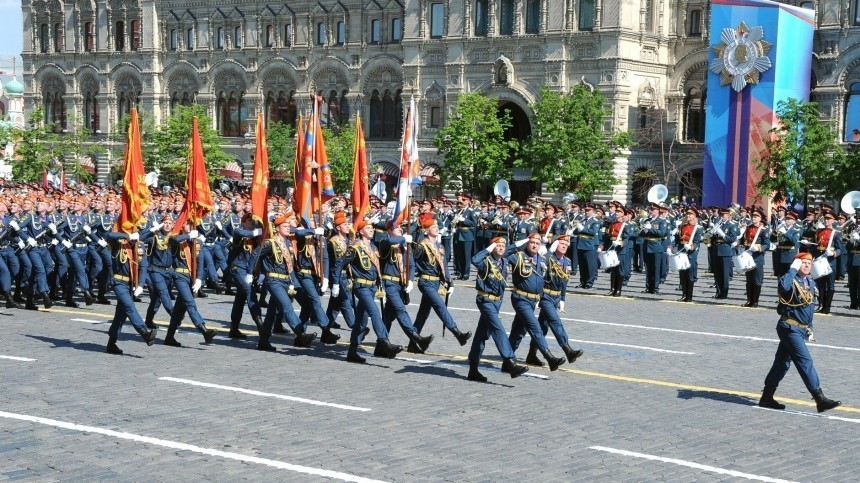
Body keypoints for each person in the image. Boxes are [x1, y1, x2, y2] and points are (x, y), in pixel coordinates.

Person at [758, 252, 841, 413]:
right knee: (805, 361)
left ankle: (767, 396)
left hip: (800, 329)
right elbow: (783, 287)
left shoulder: (809, 281)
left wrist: (809, 328)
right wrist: (792, 270)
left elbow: (809, 308)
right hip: (789, 328)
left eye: (809, 263)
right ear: (796, 264)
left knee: (782, 363)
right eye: (803, 263)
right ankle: (819, 398)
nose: (807, 265)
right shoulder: (791, 279)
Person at [332, 217, 403, 363]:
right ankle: (385, 342)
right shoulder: (355, 248)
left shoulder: (374, 248)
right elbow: (340, 263)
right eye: (368, 228)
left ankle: (352, 351)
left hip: (372, 287)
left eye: (372, 228)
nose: (371, 230)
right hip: (361, 286)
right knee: (374, 312)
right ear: (361, 232)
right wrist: (336, 284)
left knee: (361, 321)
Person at [466, 237, 529, 382]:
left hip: (497, 302)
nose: (501, 248)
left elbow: (513, 247)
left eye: (502, 246)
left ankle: (473, 368)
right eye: (498, 245)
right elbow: (474, 260)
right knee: (498, 328)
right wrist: (489, 248)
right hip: (485, 300)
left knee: (481, 335)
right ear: (492, 247)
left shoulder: (504, 260)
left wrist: (527, 239)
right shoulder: (486, 260)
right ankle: (510, 361)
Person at [410, 214, 473, 347]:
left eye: (437, 226)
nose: (436, 228)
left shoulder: (440, 246)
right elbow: (411, 262)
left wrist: (450, 282)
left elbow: (444, 265)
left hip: (436, 282)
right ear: (426, 230)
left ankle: (412, 343)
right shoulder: (422, 246)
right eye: (433, 227)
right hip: (426, 282)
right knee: (440, 306)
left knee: (423, 313)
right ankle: (457, 333)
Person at [506, 232, 566, 371]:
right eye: (532, 242)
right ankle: (549, 357)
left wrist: (561, 298)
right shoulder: (518, 256)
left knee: (518, 331)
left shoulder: (543, 259)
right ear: (527, 243)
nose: (534, 245)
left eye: (537, 243)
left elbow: (556, 266)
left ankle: (507, 360)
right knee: (535, 327)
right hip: (521, 299)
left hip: (534, 300)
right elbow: (504, 254)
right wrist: (519, 243)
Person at [379, 220, 434, 354]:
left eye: (400, 227)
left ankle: (380, 348)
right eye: (396, 228)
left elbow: (411, 264)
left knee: (388, 316)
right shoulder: (384, 242)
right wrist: (404, 239)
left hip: (401, 284)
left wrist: (410, 281)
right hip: (389, 283)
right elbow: (389, 242)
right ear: (389, 231)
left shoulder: (404, 246)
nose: (400, 229)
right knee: (400, 310)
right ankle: (416, 338)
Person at [103, 229, 158, 355]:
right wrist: (127, 236)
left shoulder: (140, 245)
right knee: (130, 307)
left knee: (120, 316)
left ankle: (111, 343)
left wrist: (140, 285)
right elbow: (108, 235)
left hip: (130, 284)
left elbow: (143, 266)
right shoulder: (119, 243)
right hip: (119, 282)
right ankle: (144, 333)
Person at [741, 208, 770, 308]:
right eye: (753, 216)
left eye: (756, 217)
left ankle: (755, 301)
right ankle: (749, 300)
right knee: (749, 280)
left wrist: (759, 248)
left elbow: (767, 244)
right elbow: (744, 240)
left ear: (760, 218)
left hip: (758, 257)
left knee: (757, 280)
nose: (753, 218)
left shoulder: (763, 230)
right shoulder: (749, 228)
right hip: (748, 256)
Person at [673, 208, 703, 302]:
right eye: (687, 214)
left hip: (691, 253)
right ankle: (684, 294)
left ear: (695, 216)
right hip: (682, 251)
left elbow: (697, 243)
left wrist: (691, 247)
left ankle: (689, 296)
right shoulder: (682, 227)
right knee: (682, 274)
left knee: (690, 275)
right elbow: (677, 240)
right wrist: (671, 247)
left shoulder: (697, 228)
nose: (688, 216)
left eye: (690, 214)